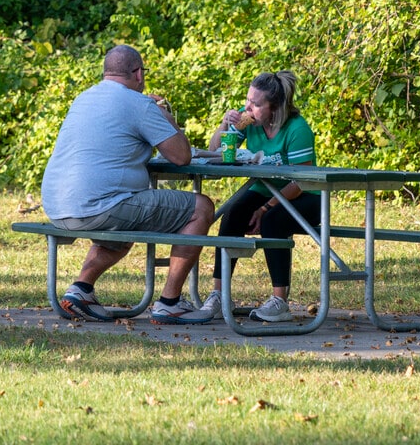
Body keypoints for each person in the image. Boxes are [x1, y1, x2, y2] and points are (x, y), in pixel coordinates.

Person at [40, 44, 216, 325]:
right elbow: (181, 157)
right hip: (98, 207)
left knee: (127, 220)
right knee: (201, 207)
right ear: (138, 73)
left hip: (57, 204)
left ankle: (81, 289)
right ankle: (170, 303)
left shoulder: (84, 98)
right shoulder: (140, 105)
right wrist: (165, 117)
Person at [200, 70, 320, 322]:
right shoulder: (249, 122)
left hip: (305, 194)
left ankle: (280, 301)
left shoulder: (297, 129)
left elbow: (302, 180)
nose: (247, 108)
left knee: (272, 220)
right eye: (247, 100)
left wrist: (265, 208)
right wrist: (225, 125)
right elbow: (214, 151)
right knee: (233, 213)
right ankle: (219, 294)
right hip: (264, 188)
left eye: (255, 104)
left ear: (274, 108)